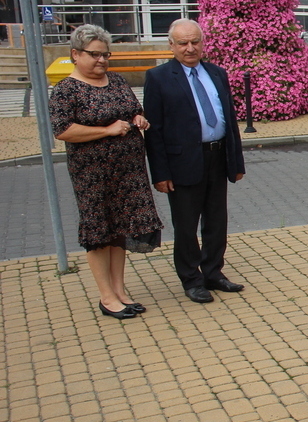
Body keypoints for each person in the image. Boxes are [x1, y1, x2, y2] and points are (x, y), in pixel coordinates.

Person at [49, 24, 163, 320]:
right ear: (75, 54)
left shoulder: (117, 81)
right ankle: (106, 297)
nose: (101, 60)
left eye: (106, 55)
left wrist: (139, 118)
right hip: (93, 175)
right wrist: (107, 130)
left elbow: (133, 109)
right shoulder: (66, 90)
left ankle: (120, 290)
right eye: (94, 55)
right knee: (100, 231)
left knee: (120, 229)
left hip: (128, 172)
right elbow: (63, 131)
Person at [143, 18, 246, 304]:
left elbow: (231, 121)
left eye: (195, 42)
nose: (190, 48)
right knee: (186, 226)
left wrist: (235, 162)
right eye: (183, 43)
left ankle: (214, 272)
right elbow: (155, 131)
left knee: (217, 221)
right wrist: (160, 173)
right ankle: (192, 279)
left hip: (217, 156)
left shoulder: (217, 73)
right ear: (171, 45)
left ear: (203, 42)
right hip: (182, 163)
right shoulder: (158, 78)